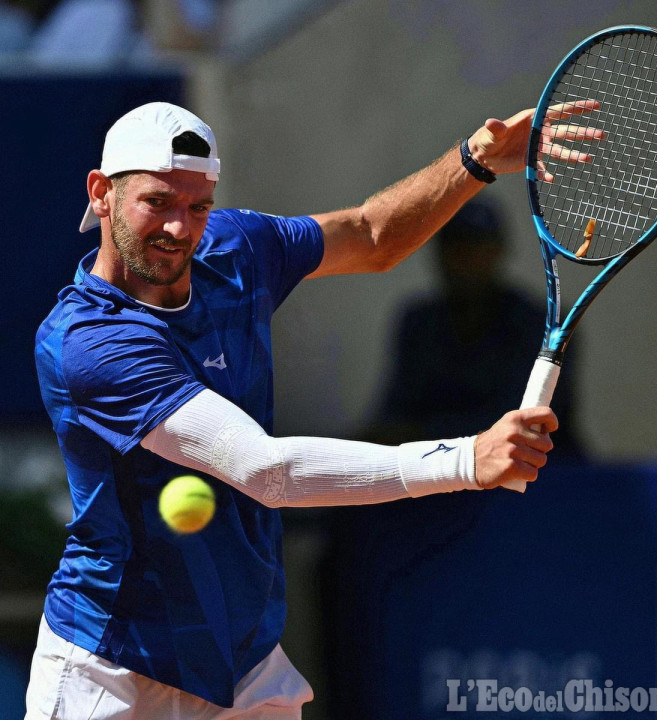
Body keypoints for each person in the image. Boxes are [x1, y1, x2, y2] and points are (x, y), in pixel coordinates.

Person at [27, 100, 602, 719]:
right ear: (102, 194)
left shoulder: (235, 249)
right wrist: (465, 459)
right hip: (113, 671)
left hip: (245, 667)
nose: (180, 228)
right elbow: (265, 471)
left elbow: (370, 234)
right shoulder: (88, 341)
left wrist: (475, 161)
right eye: (158, 202)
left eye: (198, 207)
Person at [365, 195, 583, 458]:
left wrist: (419, 434)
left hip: (541, 476)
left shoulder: (543, 325)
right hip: (440, 471)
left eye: (477, 246)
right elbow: (395, 410)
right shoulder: (418, 321)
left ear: (499, 250)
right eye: (455, 246)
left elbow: (523, 418)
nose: (465, 258)